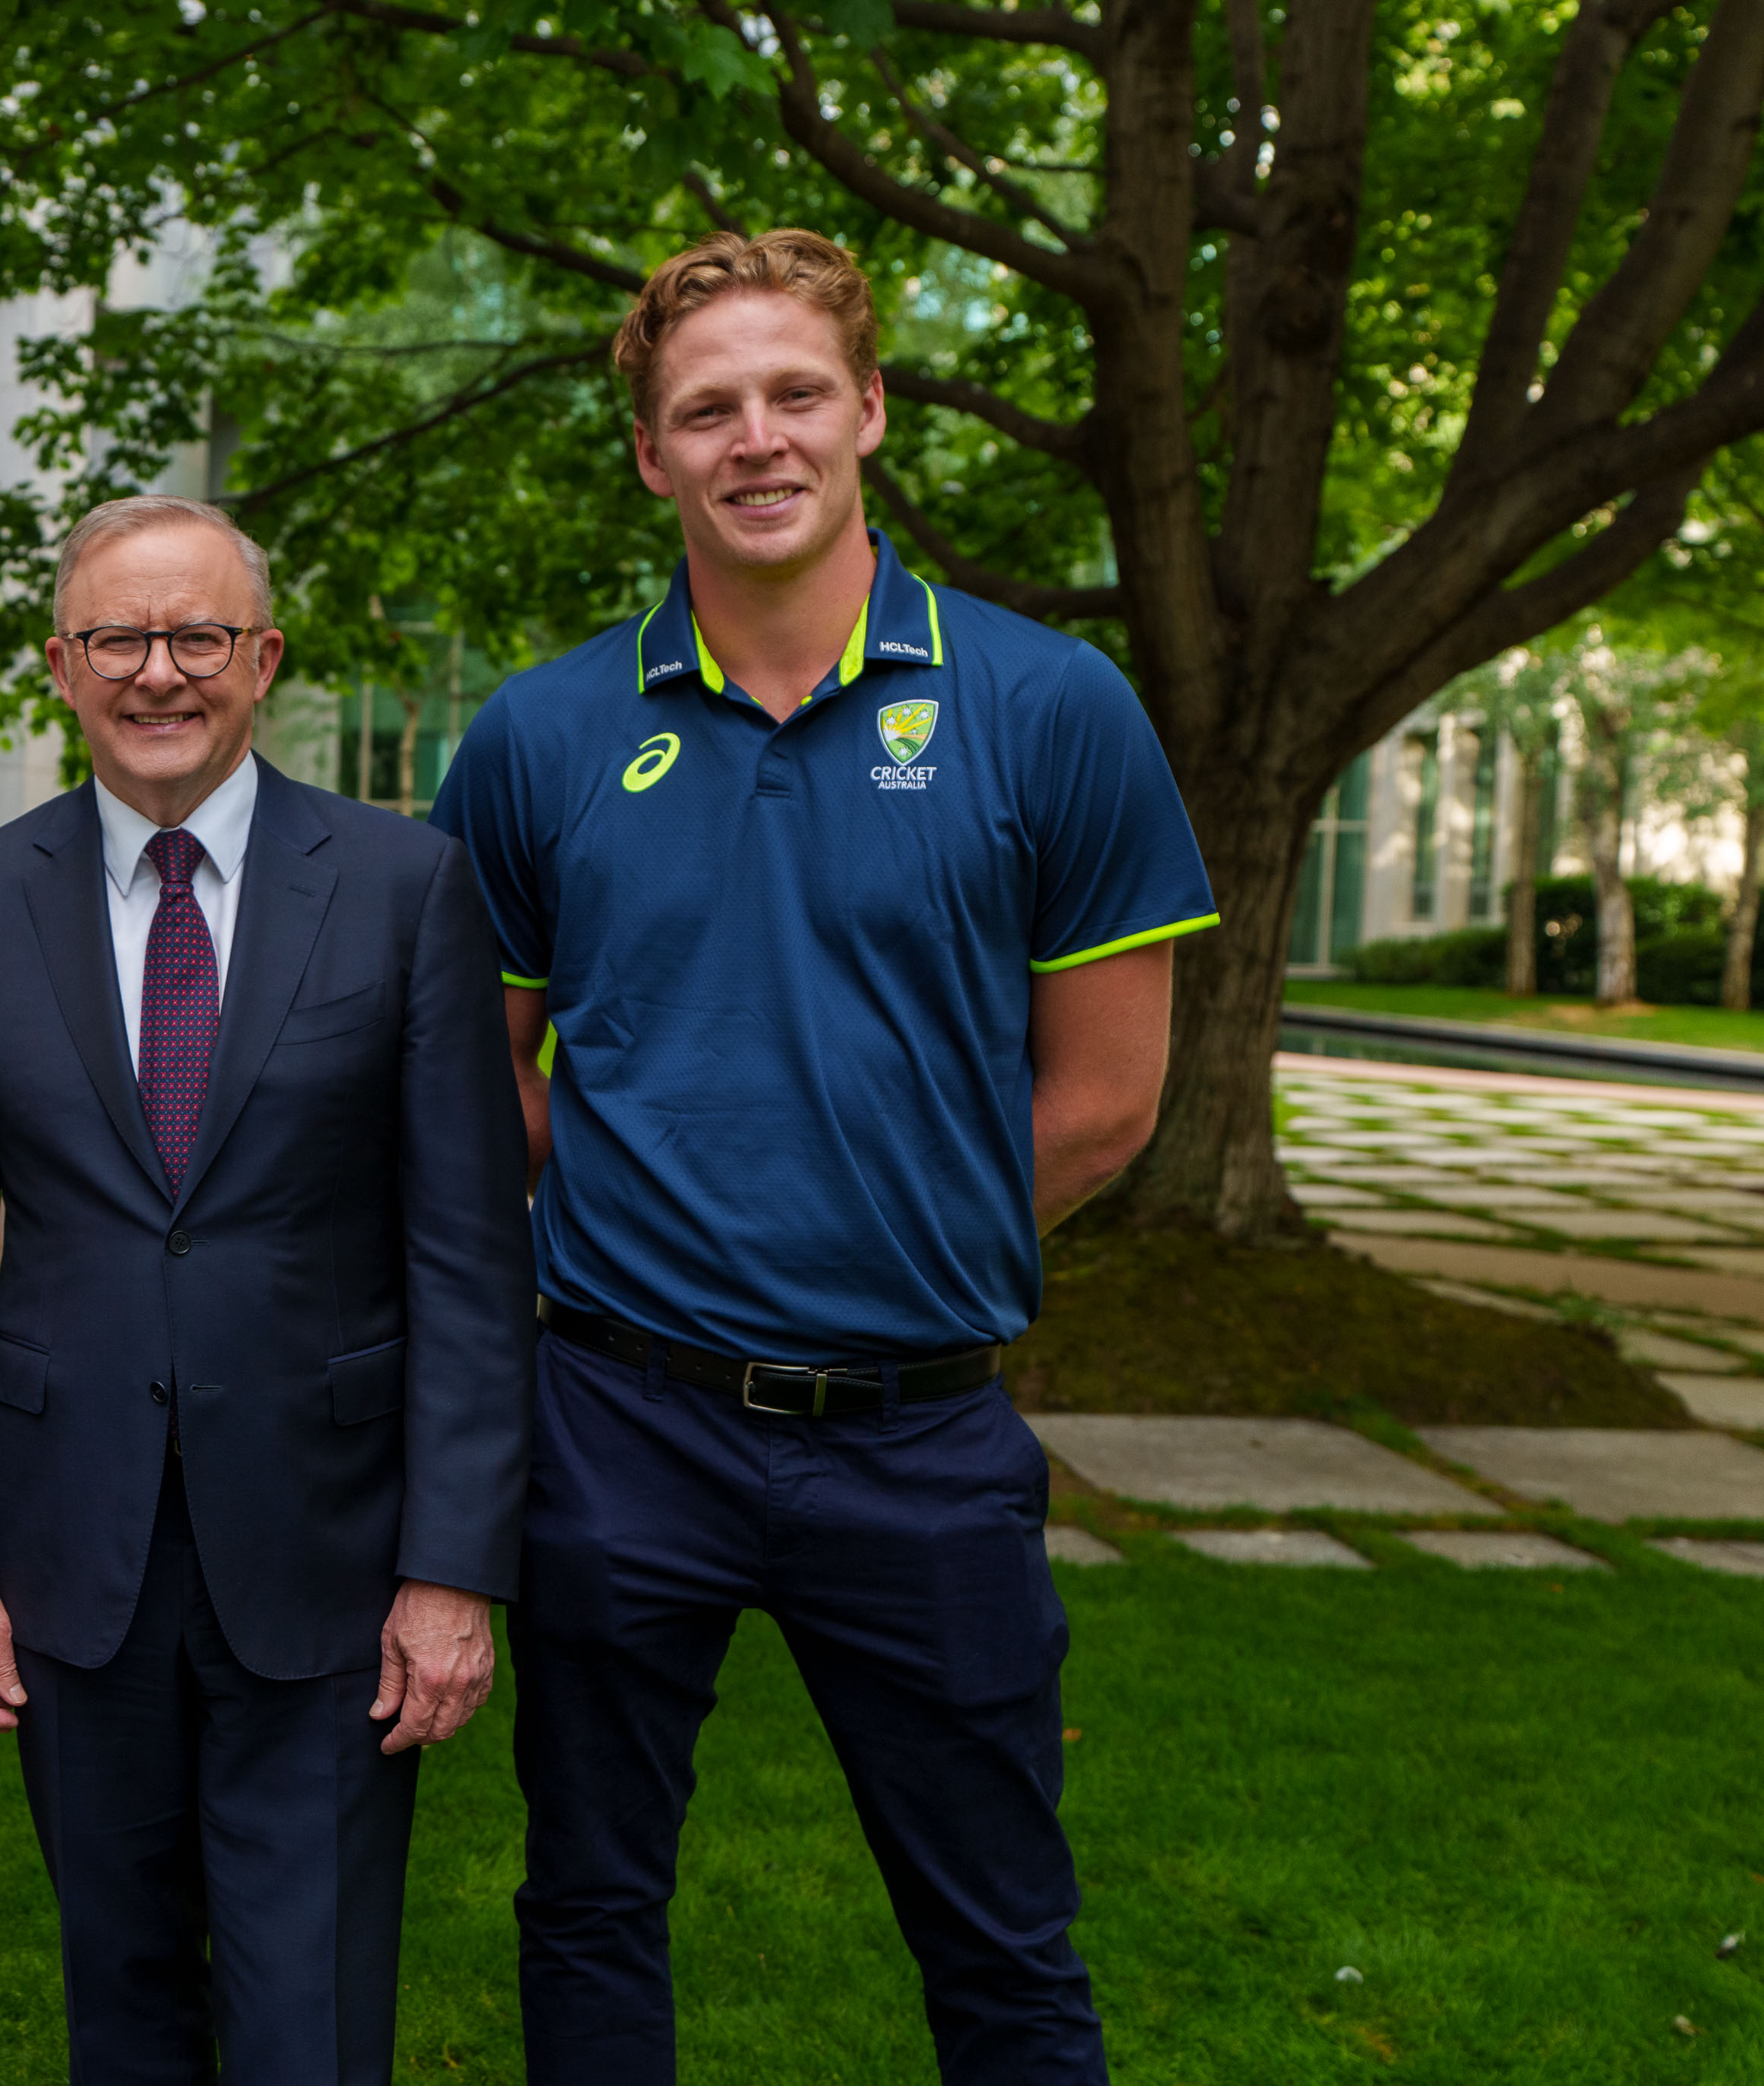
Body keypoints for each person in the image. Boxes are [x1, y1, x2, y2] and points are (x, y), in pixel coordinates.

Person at [429, 231, 1217, 2085]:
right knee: (590, 1904)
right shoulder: (541, 732)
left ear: (866, 411)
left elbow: (1103, 1102)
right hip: (620, 1420)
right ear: (648, 453)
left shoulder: (1048, 708)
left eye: (793, 394)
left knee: (1003, 1939)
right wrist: (670, 1202)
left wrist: (881, 1225)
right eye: (704, 408)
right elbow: (486, 1096)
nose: (754, 438)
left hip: (921, 1433)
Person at [0, 493, 534, 2082]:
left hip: (329, 1552)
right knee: (120, 2004)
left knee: (307, 2020)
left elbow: (466, 1252)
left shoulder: (402, 887)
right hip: (65, 1559)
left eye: (194, 636)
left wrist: (453, 1568)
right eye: (117, 635)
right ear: (59, 662)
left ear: (261, 660)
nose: (154, 671)